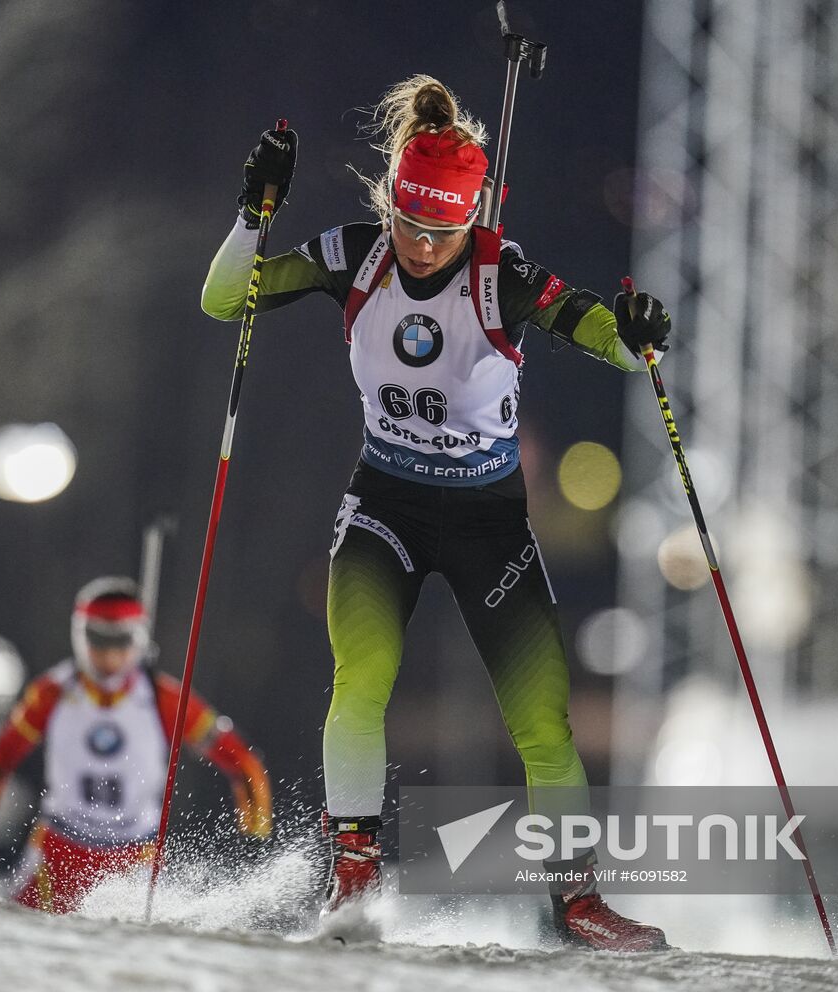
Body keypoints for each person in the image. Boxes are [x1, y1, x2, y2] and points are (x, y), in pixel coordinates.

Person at [201, 76, 673, 951]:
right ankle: (352, 883)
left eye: (441, 231)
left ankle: (577, 903)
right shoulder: (356, 256)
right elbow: (226, 300)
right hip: (387, 503)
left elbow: (603, 338)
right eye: (410, 224)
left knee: (542, 720)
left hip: (489, 518)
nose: (421, 247)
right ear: (391, 204)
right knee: (360, 682)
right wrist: (251, 215)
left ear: (471, 219)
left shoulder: (502, 273)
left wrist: (637, 332)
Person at [0, 576, 272, 914]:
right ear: (80, 636)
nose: (109, 657)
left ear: (139, 639)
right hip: (59, 850)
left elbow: (243, 762)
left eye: (121, 642)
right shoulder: (52, 694)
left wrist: (255, 834)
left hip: (133, 856)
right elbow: (0, 760)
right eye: (98, 641)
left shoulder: (164, 700)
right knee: (10, 923)